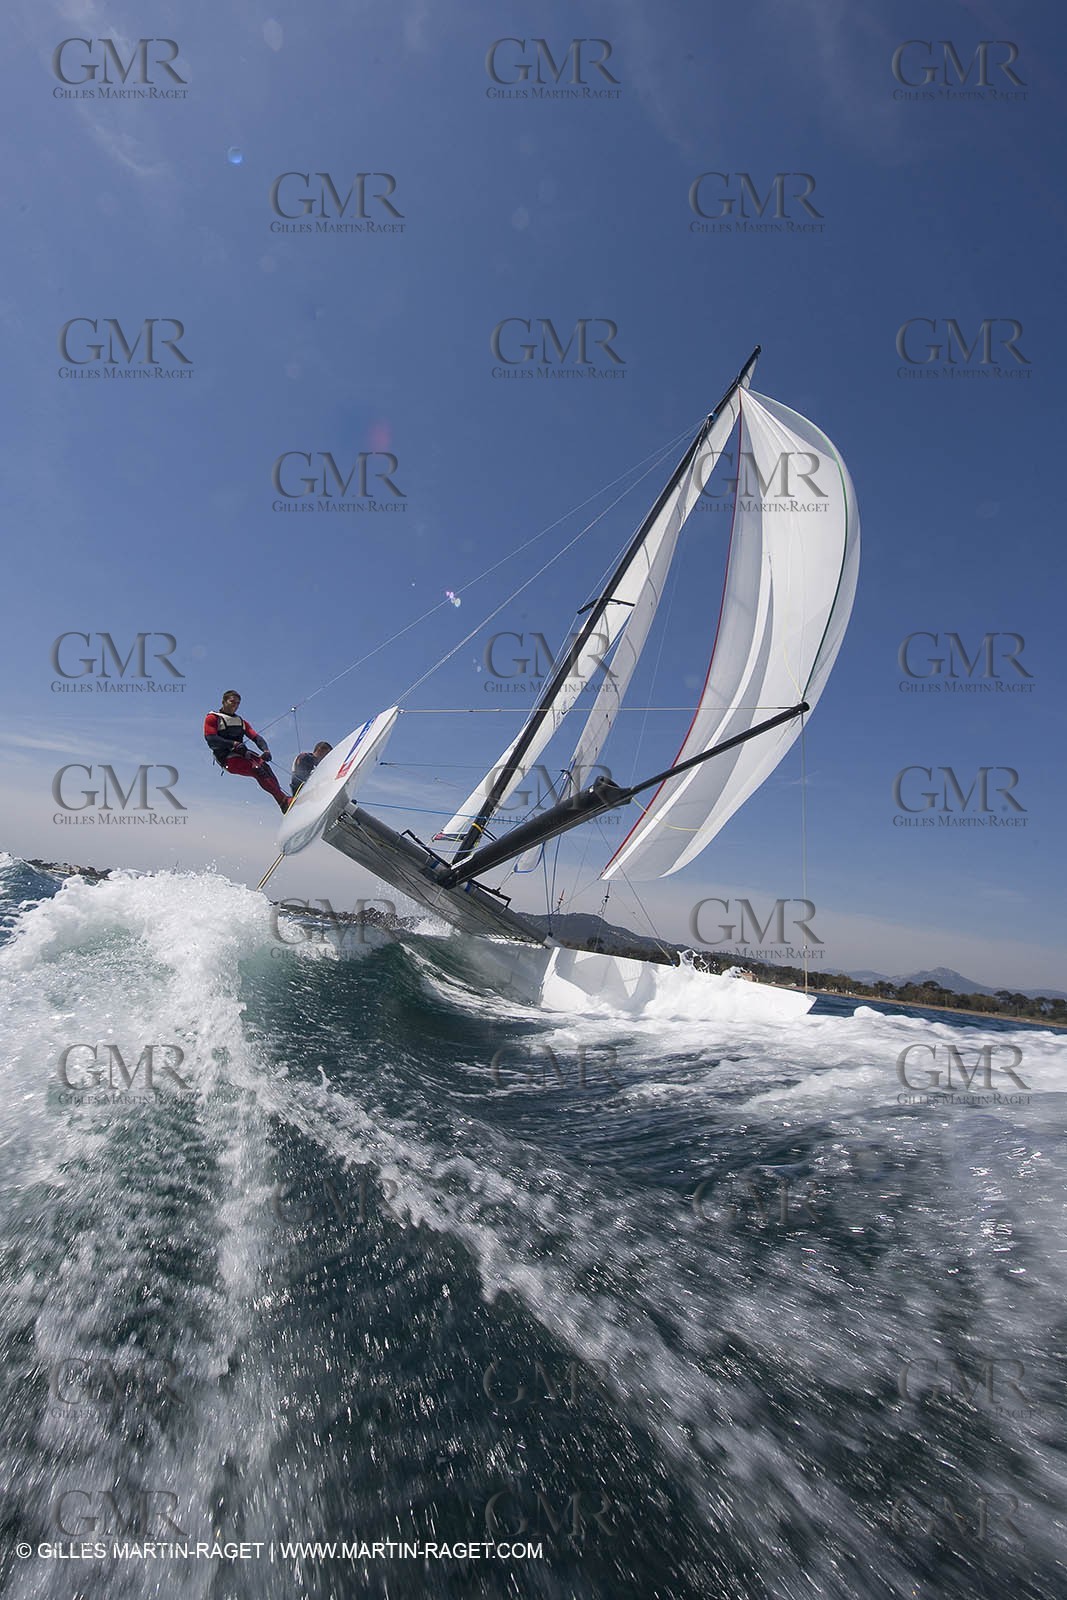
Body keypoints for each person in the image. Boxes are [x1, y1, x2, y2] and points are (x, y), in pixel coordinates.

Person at [204, 690, 291, 813]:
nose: (235, 705)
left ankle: (283, 802)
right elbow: (210, 739)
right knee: (256, 769)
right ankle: (283, 800)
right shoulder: (213, 718)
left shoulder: (241, 722)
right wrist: (232, 744)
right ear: (223, 702)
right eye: (232, 702)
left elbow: (256, 737)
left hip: (242, 755)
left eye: (238, 703)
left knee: (264, 766)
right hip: (227, 758)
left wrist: (265, 750)